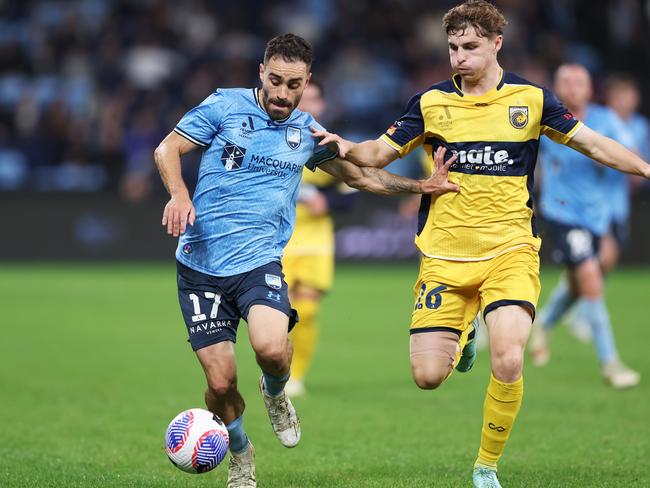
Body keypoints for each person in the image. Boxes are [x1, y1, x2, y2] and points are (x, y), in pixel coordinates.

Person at [311, 2, 650, 486]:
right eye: (452, 48)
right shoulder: (430, 103)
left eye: (470, 47)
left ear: (496, 44)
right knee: (427, 376)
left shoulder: (530, 100)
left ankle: (486, 465)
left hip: (510, 251)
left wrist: (645, 168)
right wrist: (343, 146)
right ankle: (464, 335)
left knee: (510, 355)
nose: (459, 58)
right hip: (445, 257)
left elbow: (593, 143)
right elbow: (376, 155)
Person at [154, 33, 456, 488]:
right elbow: (167, 149)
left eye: (293, 84)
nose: (281, 93)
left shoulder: (308, 133)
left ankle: (275, 394)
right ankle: (240, 452)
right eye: (274, 80)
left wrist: (421, 187)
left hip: (258, 264)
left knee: (272, 350)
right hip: (200, 267)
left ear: (306, 81)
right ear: (261, 72)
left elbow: (362, 177)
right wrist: (179, 194)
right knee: (220, 384)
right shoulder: (224, 106)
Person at [530, 65, 641, 389]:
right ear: (556, 87)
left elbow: (626, 153)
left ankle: (545, 322)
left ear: (590, 89)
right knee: (591, 278)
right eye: (565, 81)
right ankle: (611, 363)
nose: (573, 87)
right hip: (561, 214)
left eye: (579, 81)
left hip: (597, 215)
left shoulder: (605, 120)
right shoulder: (546, 119)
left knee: (586, 279)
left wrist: (607, 154)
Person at [282, 81, 351, 397]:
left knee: (306, 312)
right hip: (278, 239)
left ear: (322, 104)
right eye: (302, 99)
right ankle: (275, 370)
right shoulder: (274, 140)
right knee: (277, 314)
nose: (308, 104)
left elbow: (351, 195)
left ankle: (295, 377)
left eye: (314, 98)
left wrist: (329, 202)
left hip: (315, 241)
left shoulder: (329, 144)